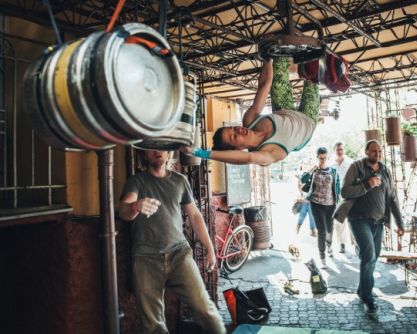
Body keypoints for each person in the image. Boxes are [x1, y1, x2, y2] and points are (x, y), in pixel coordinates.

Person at [118, 150, 226, 334]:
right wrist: (136, 206)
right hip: (145, 259)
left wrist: (209, 247)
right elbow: (123, 211)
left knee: (206, 310)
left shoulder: (180, 180)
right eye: (152, 148)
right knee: (153, 326)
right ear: (145, 155)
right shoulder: (136, 182)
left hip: (179, 254)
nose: (157, 151)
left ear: (169, 154)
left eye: (162, 148)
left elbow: (195, 215)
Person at [181, 58, 319, 166]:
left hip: (285, 111)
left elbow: (264, 85)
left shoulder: (250, 120)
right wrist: (201, 153)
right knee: (315, 74)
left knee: (278, 63)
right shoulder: (268, 152)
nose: (239, 130)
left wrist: (266, 59)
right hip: (308, 122)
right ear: (237, 149)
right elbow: (249, 158)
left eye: (233, 128)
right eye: (234, 137)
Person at [340, 140, 404, 314]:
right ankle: (368, 297)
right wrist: (367, 185)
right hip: (358, 219)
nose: (377, 154)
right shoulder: (356, 167)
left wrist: (399, 222)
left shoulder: (385, 171)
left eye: (380, 151)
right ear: (366, 151)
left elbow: (392, 198)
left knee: (373, 257)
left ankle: (362, 290)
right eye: (374, 151)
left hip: (378, 222)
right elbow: (344, 192)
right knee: (368, 255)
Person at [304, 147, 340, 268]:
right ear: (317, 158)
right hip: (316, 204)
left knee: (330, 229)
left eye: (325, 158)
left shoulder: (333, 171)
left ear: (327, 157)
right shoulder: (314, 170)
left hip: (330, 205)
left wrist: (337, 202)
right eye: (320, 158)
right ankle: (322, 256)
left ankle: (329, 246)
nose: (323, 160)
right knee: (322, 230)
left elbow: (337, 188)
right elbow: (303, 179)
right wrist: (311, 169)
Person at [331, 141, 354, 253]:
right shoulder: (331, 164)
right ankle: (342, 243)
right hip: (337, 195)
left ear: (343, 150)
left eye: (341, 149)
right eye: (337, 149)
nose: (339, 151)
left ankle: (356, 243)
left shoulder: (350, 162)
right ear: (334, 151)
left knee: (353, 219)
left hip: (350, 195)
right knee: (339, 221)